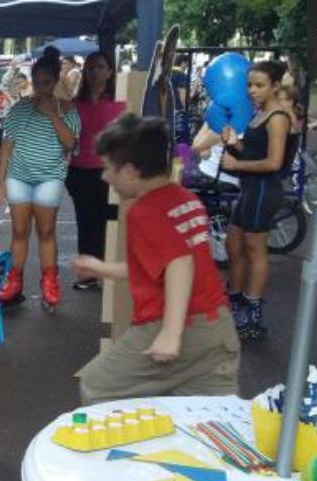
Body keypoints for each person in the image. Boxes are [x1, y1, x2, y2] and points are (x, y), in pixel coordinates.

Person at [74, 114, 240, 405]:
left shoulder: (144, 211)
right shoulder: (185, 198)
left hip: (180, 325)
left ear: (128, 171)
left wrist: (170, 334)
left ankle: (126, 450)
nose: (104, 177)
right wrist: (101, 268)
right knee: (206, 419)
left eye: (107, 169)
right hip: (217, 329)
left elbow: (180, 264)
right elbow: (161, 265)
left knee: (97, 386)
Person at [0, 46, 80, 312]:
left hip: (49, 178)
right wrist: (0, 182)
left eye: (47, 82)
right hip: (19, 176)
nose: (42, 87)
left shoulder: (67, 110)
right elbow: (7, 147)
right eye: (38, 82)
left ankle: (49, 282)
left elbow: (70, 145)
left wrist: (53, 115)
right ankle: (14, 281)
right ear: (32, 80)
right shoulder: (20, 109)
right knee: (19, 231)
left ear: (56, 82)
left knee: (46, 232)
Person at [220, 61, 292, 341]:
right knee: (233, 245)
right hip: (251, 189)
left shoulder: (277, 117)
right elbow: (251, 152)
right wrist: (235, 144)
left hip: (264, 190)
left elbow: (274, 163)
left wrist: (236, 165)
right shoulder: (259, 113)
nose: (252, 90)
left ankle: (252, 315)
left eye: (259, 85)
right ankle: (235, 301)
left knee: (254, 250)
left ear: (275, 85)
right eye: (249, 84)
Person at [66, 51, 123, 290]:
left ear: (110, 71)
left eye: (100, 67)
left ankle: (109, 272)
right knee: (87, 222)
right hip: (80, 171)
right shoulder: (74, 105)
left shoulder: (120, 102)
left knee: (111, 221)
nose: (95, 71)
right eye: (90, 67)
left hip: (111, 171)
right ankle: (88, 273)